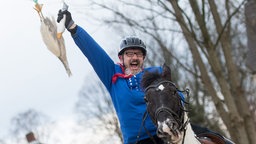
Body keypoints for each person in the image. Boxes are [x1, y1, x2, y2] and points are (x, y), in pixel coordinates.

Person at [57, 10, 233, 144]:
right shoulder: (113, 77)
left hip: (168, 131)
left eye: (138, 54)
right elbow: (93, 51)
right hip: (137, 140)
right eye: (130, 54)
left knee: (215, 138)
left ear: (143, 58)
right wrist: (73, 27)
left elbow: (175, 96)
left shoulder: (154, 75)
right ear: (121, 58)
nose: (134, 57)